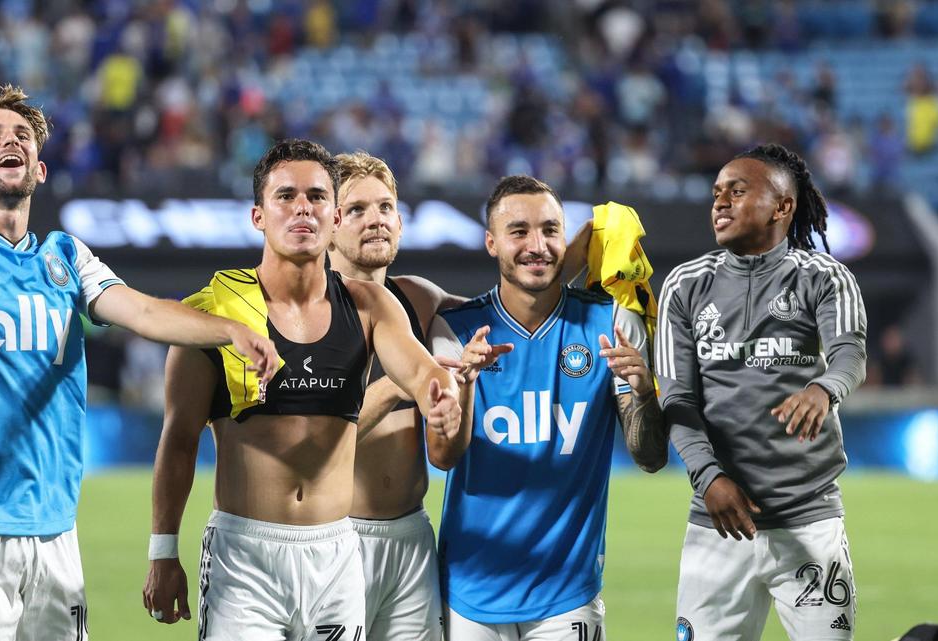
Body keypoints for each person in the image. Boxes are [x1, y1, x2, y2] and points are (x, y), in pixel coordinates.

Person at [0, 83, 279, 641]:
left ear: (41, 169)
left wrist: (228, 331)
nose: (12, 141)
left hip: (54, 530)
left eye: (22, 135)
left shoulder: (65, 256)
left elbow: (143, 312)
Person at [142, 139, 461, 640]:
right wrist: (163, 552)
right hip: (244, 557)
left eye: (316, 196)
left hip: (336, 556)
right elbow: (179, 438)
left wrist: (438, 396)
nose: (302, 208)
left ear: (334, 217)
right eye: (285, 196)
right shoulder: (214, 312)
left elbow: (420, 370)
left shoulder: (369, 304)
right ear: (258, 216)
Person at [429, 175, 669, 639]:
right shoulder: (456, 330)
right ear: (491, 243)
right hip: (472, 588)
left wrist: (642, 391)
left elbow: (651, 457)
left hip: (567, 594)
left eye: (550, 230)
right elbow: (442, 456)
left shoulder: (611, 322)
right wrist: (463, 383)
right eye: (518, 231)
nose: (536, 245)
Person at [656, 143, 866, 640]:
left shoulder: (825, 277)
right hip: (717, 523)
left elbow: (849, 355)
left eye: (737, 190)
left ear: (782, 206)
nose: (720, 202)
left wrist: (823, 388)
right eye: (716, 193)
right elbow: (676, 398)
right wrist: (708, 477)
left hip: (809, 522)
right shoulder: (685, 286)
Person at [326, 151, 462, 640]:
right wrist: (400, 385)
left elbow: (513, 310)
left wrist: (583, 264)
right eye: (357, 209)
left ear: (401, 224)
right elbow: (314, 440)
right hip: (335, 539)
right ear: (329, 223)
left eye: (385, 207)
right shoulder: (307, 314)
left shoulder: (418, 298)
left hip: (412, 537)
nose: (376, 220)